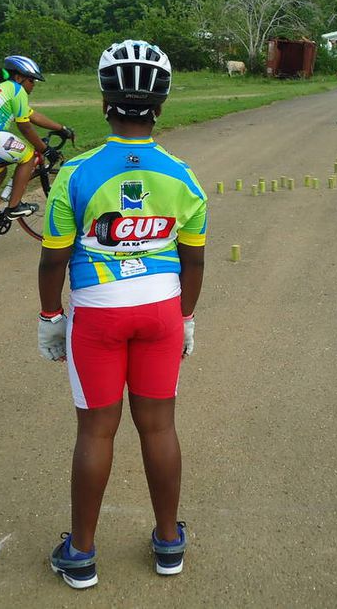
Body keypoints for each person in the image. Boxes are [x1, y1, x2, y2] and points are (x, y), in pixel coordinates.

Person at [38, 40, 207, 589]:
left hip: (99, 313)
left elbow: (53, 258)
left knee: (97, 431)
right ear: (161, 106)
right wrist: (185, 317)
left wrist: (49, 317)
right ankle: (167, 544)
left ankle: (81, 555)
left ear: (104, 101)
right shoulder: (183, 176)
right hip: (160, 310)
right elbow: (195, 259)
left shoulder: (76, 172)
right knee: (159, 426)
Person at [0, 55, 74, 220]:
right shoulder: (18, 90)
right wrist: (44, 150)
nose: (33, 85)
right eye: (32, 81)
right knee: (29, 155)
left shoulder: (5, 89)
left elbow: (32, 115)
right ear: (19, 77)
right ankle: (14, 206)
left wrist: (61, 128)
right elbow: (24, 127)